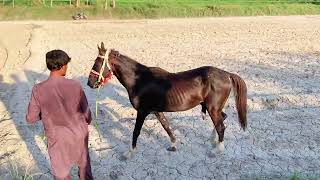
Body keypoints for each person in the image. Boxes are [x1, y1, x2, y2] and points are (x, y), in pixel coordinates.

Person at [26, 50, 93, 180]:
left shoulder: (38, 89)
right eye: (67, 64)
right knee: (85, 170)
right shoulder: (75, 85)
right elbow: (87, 115)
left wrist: (45, 113)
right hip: (78, 135)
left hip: (57, 138)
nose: (67, 67)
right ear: (62, 66)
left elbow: (31, 118)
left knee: (61, 175)